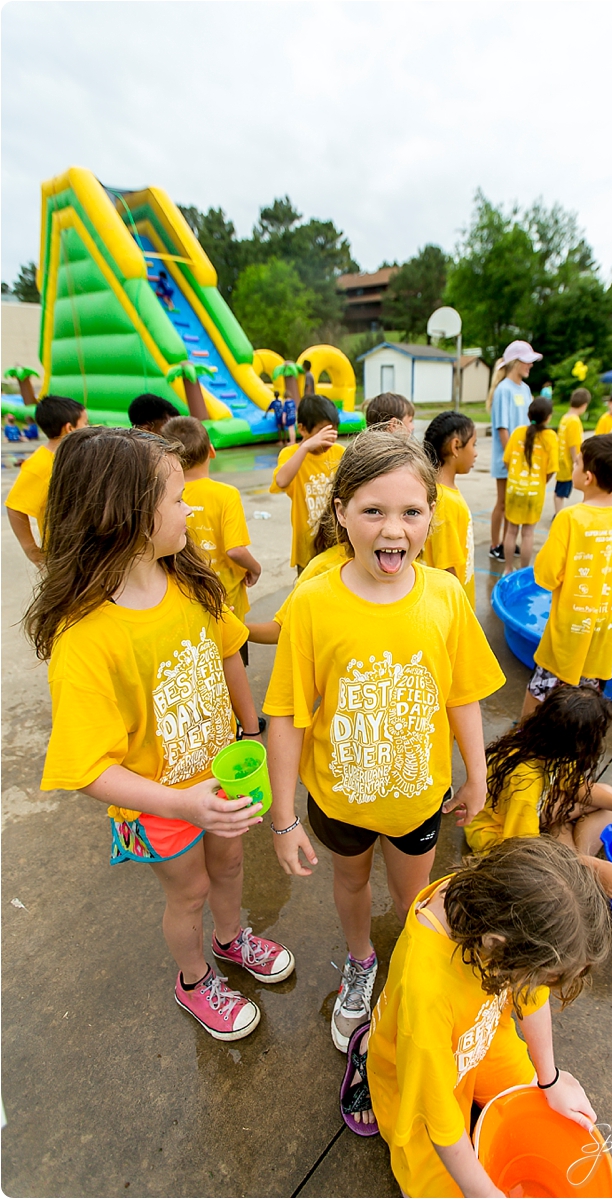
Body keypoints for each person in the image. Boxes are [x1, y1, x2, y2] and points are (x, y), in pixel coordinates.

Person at [27, 427, 295, 1040]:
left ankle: (232, 942)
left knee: (229, 866)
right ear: (125, 515)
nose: (190, 508)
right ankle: (195, 979)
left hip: (220, 776)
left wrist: (249, 733)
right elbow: (90, 767)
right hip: (158, 804)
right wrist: (181, 801)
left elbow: (230, 652)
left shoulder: (191, 583)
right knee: (191, 890)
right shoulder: (86, 638)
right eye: (176, 499)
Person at [263, 430, 505, 1053]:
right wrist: (284, 816)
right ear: (341, 512)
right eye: (372, 510)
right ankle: (361, 963)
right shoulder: (314, 601)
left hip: (418, 798)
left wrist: (476, 775)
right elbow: (287, 713)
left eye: (410, 512)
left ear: (433, 516)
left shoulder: (447, 596)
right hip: (340, 799)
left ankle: (410, 975)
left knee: (413, 898)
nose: (392, 528)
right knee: (350, 884)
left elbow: (462, 695)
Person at [342, 839, 612, 1196]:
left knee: (534, 1106)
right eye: (540, 975)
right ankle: (372, 1055)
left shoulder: (496, 901)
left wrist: (550, 1079)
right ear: (497, 944)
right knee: (440, 1189)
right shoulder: (427, 990)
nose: (540, 985)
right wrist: (483, 1192)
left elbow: (531, 995)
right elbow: (438, 1115)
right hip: (422, 1063)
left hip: (480, 1031)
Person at [465, 685, 612, 898]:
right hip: (499, 837)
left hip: (531, 811)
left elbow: (576, 787)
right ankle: (576, 868)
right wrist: (595, 866)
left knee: (609, 796)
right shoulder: (524, 781)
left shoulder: (547, 744)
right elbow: (523, 846)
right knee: (552, 883)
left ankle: (575, 865)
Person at [524, 435, 612, 717]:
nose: (573, 466)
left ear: (587, 477)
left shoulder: (570, 518)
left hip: (570, 627)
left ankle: (523, 734)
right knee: (586, 696)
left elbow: (546, 576)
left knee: (541, 688)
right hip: (608, 627)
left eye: (577, 462)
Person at [161, 417, 261, 659]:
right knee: (231, 659)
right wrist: (254, 568)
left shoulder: (165, 495)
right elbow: (235, 550)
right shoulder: (225, 495)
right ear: (211, 451)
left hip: (184, 598)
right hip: (225, 597)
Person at [5, 394, 88, 565]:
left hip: (87, 550)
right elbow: (15, 507)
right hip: (64, 557)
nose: (88, 428)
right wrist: (31, 549)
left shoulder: (77, 456)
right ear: (69, 428)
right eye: (85, 424)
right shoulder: (41, 464)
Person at [269, 394, 343, 572]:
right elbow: (281, 480)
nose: (329, 439)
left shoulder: (339, 453)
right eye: (322, 432)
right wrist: (306, 447)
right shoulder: (292, 455)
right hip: (307, 547)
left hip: (338, 544)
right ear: (302, 429)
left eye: (333, 432)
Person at [487, 341, 542, 560]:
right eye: (527, 361)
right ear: (516, 362)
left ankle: (506, 541)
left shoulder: (526, 389)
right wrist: (512, 459)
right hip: (506, 458)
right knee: (502, 502)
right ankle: (495, 544)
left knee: (513, 504)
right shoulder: (503, 390)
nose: (530, 366)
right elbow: (502, 427)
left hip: (522, 460)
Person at [422, 412, 478, 606]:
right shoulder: (445, 501)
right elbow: (447, 569)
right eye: (474, 444)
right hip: (452, 605)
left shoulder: (443, 492)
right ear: (456, 446)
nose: (476, 452)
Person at [502, 397, 558, 574]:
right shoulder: (550, 437)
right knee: (527, 533)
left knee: (511, 531)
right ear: (548, 417)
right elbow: (551, 469)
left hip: (514, 490)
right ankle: (522, 571)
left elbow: (507, 461)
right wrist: (540, 482)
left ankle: (508, 568)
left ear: (529, 414)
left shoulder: (518, 432)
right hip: (534, 492)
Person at [554, 388, 589, 514]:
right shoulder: (574, 421)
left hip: (561, 459)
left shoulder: (565, 417)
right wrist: (576, 461)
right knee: (561, 491)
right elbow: (574, 444)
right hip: (568, 462)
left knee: (560, 488)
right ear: (584, 405)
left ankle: (557, 512)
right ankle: (558, 514)